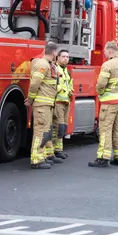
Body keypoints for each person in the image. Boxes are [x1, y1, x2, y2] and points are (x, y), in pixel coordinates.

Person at [90, 41, 118, 167]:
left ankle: (103, 157)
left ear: (109, 51)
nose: (104, 53)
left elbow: (101, 83)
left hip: (109, 102)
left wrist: (100, 93)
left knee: (105, 129)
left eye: (104, 51)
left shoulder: (107, 65)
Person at [25, 41, 58, 170]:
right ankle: (36, 160)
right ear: (54, 52)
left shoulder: (48, 64)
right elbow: (34, 84)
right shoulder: (43, 64)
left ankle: (41, 156)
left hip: (46, 104)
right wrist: (30, 99)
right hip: (42, 104)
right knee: (40, 132)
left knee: (44, 132)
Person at [50, 48, 72, 162]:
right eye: (63, 56)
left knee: (62, 127)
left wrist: (70, 91)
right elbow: (54, 84)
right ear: (57, 57)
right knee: (58, 127)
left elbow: (69, 83)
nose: (65, 59)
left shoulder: (66, 70)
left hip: (66, 101)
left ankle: (58, 149)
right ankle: (56, 150)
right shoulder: (55, 69)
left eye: (67, 57)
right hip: (58, 101)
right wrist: (59, 90)